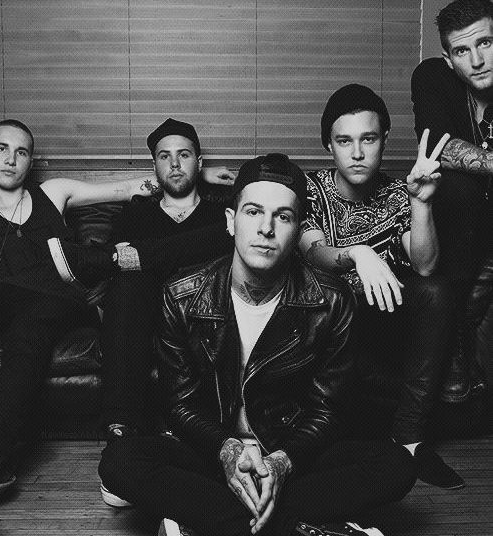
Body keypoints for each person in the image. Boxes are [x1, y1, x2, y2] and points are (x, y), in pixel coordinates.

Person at [99, 153, 416, 536]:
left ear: (298, 230)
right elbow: (180, 403)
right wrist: (228, 451)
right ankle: (299, 526)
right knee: (119, 461)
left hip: (293, 451)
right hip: (213, 450)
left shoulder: (331, 301)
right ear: (231, 221)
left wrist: (282, 462)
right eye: (253, 212)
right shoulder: (182, 296)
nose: (266, 228)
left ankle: (205, 519)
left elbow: (329, 410)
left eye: (283, 216)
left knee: (397, 464)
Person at [0, 118, 232, 501]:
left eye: (21, 151)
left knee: (121, 271)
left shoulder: (51, 192)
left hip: (63, 301)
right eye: (1, 149)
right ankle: (120, 437)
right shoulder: (137, 215)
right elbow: (150, 189)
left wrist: (204, 180)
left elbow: (130, 187)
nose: (11, 159)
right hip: (22, 303)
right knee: (122, 277)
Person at [299, 84, 464, 489]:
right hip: (325, 322)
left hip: (381, 322)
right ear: (328, 146)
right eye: (344, 141)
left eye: (368, 139)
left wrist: (421, 203)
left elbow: (425, 266)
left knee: (437, 291)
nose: (357, 153)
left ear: (384, 140)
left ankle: (409, 438)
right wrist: (357, 253)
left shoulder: (396, 193)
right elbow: (312, 253)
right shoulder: (309, 189)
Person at [411, 0, 493, 397]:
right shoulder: (432, 77)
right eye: (462, 50)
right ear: (448, 58)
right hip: (460, 225)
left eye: (485, 43)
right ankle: (458, 332)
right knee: (459, 186)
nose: (477, 60)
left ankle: (462, 323)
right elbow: (439, 147)